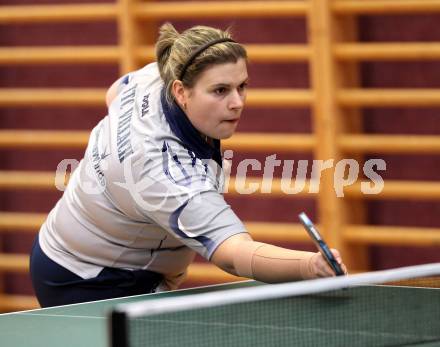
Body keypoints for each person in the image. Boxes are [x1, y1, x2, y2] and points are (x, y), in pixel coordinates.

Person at [29, 23, 347, 308]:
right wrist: (309, 267)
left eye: (242, 86)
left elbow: (115, 92)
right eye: (220, 91)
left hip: (73, 248)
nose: (237, 102)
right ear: (181, 92)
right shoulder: (165, 172)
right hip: (89, 280)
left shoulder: (155, 75)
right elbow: (235, 254)